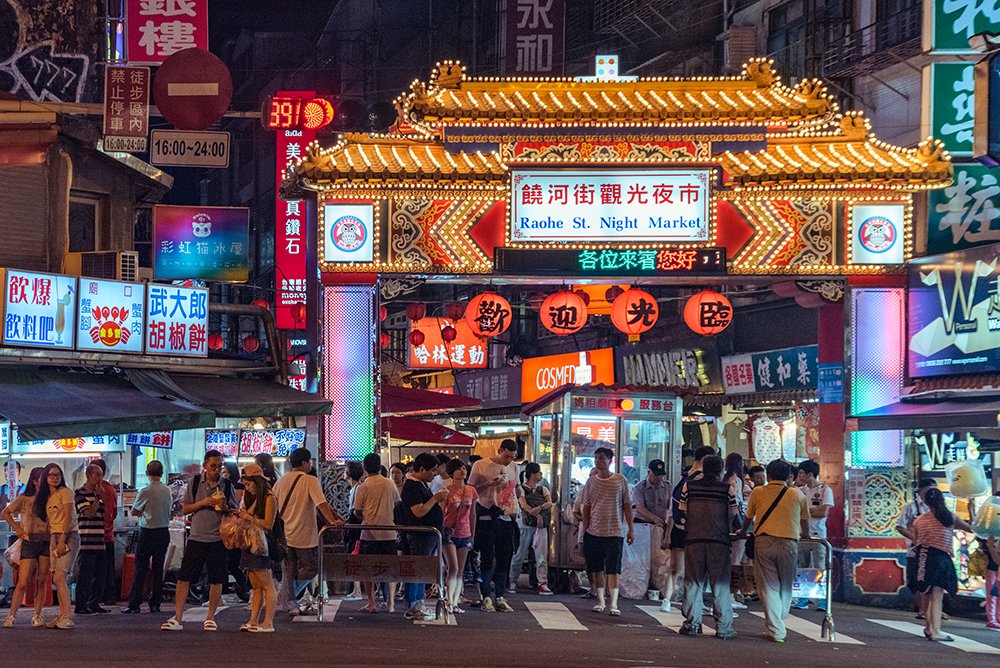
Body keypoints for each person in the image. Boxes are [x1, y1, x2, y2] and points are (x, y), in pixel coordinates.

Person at [161, 449, 236, 632]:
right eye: (213, 466)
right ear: (205, 466)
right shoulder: (194, 483)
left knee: (217, 579)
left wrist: (225, 507)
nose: (216, 470)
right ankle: (178, 617)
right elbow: (184, 509)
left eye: (219, 466)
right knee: (184, 578)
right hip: (196, 537)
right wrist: (204, 503)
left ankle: (210, 617)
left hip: (218, 538)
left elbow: (234, 511)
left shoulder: (227, 485)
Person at [740, 459, 809, 643]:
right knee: (786, 585)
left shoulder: (758, 491)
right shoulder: (797, 494)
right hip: (789, 542)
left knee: (768, 587)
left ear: (768, 475)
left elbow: (748, 517)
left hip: (764, 541)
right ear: (788, 476)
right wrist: (806, 535)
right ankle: (778, 621)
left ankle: (776, 628)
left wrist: (742, 531)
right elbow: (804, 521)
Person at [272, 448, 343, 616]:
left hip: (284, 535)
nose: (310, 464)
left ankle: (289, 601)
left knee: (289, 571)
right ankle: (287, 597)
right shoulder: (310, 480)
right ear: (304, 463)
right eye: (309, 461)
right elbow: (321, 503)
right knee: (313, 567)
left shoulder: (280, 482)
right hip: (304, 535)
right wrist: (332, 521)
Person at [678, 454, 738, 638]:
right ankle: (724, 627)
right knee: (720, 584)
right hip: (719, 541)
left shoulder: (689, 486)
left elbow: (683, 512)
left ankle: (692, 624)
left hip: (694, 539)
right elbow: (733, 513)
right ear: (721, 471)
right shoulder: (727, 489)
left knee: (693, 582)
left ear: (703, 468)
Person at [912, 487, 974, 642]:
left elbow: (916, 541)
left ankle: (929, 628)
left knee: (926, 593)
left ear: (926, 502)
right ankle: (936, 631)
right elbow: (972, 529)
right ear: (942, 500)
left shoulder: (919, 521)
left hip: (923, 556)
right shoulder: (950, 517)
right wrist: (971, 510)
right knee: (937, 595)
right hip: (940, 558)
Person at [580, 446, 634, 617]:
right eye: (596, 458)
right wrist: (586, 529)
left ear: (610, 460)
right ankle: (601, 600)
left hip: (615, 531)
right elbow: (586, 507)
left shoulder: (620, 480)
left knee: (613, 569)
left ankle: (614, 603)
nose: (598, 461)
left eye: (602, 458)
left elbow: (627, 505)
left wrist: (630, 529)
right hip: (594, 531)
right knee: (596, 568)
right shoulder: (591, 482)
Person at [469, 440, 519, 613]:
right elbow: (471, 490)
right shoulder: (481, 465)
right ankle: (485, 596)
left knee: (504, 558)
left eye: (512, 457)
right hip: (486, 516)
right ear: (500, 450)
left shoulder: (514, 467)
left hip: (506, 517)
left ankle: (500, 595)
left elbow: (515, 490)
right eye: (507, 456)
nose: (508, 460)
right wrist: (489, 484)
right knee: (487, 557)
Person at [665, 445, 716, 604]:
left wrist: (667, 534)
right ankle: (692, 601)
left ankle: (667, 600)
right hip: (695, 529)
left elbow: (671, 509)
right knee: (695, 569)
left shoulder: (684, 476)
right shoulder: (702, 479)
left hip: (678, 527)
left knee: (675, 568)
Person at [400, 453, 448, 620]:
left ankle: (418, 602)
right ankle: (413, 604)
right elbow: (418, 512)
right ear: (421, 469)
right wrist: (435, 499)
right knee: (417, 569)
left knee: (421, 569)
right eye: (432, 470)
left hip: (428, 535)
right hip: (420, 535)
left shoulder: (421, 484)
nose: (434, 474)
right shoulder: (412, 486)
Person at [123, 460, 173, 614]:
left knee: (141, 569)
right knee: (158, 569)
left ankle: (134, 604)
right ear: (162, 473)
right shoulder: (167, 490)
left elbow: (134, 512)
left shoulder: (145, 491)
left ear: (147, 473)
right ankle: (155, 604)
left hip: (148, 532)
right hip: (163, 532)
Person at [353, 452, 401, 613]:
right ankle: (391, 603)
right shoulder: (389, 483)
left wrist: (365, 516)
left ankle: (371, 602)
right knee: (391, 569)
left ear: (364, 467)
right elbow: (397, 504)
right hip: (389, 533)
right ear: (380, 466)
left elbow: (357, 511)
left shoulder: (362, 487)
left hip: (369, 533)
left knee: (368, 569)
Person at [2, 467, 49, 628]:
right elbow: (5, 512)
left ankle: (37, 615)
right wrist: (18, 529)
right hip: (29, 541)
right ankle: (11, 616)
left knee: (41, 580)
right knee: (22, 581)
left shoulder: (51, 497)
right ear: (35, 481)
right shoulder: (24, 498)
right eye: (44, 478)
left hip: (46, 540)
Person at [37, 462, 79, 629]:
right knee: (55, 577)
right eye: (51, 475)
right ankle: (62, 614)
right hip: (54, 536)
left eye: (57, 475)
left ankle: (67, 616)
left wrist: (62, 539)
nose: (55, 478)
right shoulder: (47, 497)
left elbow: (68, 517)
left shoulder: (65, 493)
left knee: (60, 577)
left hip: (68, 535)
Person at [238, 463, 278, 633]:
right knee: (255, 585)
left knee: (267, 583)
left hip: (261, 545)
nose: (247, 488)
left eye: (248, 484)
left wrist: (247, 517)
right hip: (250, 543)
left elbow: (268, 524)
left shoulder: (269, 497)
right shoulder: (252, 498)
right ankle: (253, 620)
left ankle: (268, 622)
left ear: (257, 482)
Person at [792, 459, 833, 611]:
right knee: (802, 567)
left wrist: (805, 511)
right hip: (802, 534)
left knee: (820, 567)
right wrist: (811, 511)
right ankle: (803, 598)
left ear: (810, 474)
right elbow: (795, 511)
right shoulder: (800, 491)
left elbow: (823, 512)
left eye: (802, 473)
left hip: (818, 535)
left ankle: (823, 600)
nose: (799, 476)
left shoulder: (825, 490)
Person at [632, 459, 672, 610]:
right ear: (649, 472)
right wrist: (654, 518)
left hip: (661, 528)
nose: (659, 478)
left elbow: (671, 508)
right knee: (643, 560)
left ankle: (659, 587)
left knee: (660, 560)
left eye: (661, 475)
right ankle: (643, 586)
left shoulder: (667, 487)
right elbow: (639, 507)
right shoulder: (640, 487)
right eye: (656, 475)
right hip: (644, 527)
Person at [510, 462, 553, 595]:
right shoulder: (521, 489)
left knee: (541, 556)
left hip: (539, 526)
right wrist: (536, 512)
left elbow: (549, 503)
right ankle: (512, 581)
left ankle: (542, 583)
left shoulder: (543, 489)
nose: (541, 475)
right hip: (525, 524)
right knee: (519, 555)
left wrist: (538, 509)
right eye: (539, 472)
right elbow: (522, 504)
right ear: (533, 474)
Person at [895, 477, 935, 621]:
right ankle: (922, 610)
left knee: (934, 581)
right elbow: (900, 526)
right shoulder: (911, 507)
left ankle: (935, 610)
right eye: (929, 490)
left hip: (934, 549)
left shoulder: (936, 507)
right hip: (916, 550)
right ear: (921, 490)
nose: (932, 493)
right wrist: (915, 539)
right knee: (920, 580)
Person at [442, 458, 478, 612]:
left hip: (465, 532)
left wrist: (473, 533)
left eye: (463, 468)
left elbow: (473, 514)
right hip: (449, 533)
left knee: (460, 571)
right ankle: (449, 601)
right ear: (452, 473)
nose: (462, 470)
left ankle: (455, 602)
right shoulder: (446, 491)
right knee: (453, 568)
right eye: (458, 469)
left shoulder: (472, 491)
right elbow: (442, 512)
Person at [74, 463, 109, 616]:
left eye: (102, 475)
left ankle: (94, 603)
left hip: (100, 539)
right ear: (88, 476)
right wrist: (98, 497)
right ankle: (81, 605)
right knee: (85, 575)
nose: (100, 478)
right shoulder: (80, 493)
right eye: (97, 475)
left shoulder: (99, 493)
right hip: (86, 540)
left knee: (100, 575)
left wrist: (100, 496)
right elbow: (89, 513)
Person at [723, 453, 751, 608]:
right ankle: (731, 595)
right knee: (736, 561)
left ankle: (726, 594)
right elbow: (735, 503)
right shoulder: (736, 480)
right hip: (735, 523)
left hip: (724, 524)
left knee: (728, 560)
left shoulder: (724, 478)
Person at [221, 462, 250, 603]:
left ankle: (244, 587)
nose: (223, 474)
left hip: (234, 529)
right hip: (228, 529)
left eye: (225, 471)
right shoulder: (224, 486)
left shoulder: (236, 487)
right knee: (229, 562)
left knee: (233, 562)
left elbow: (235, 506)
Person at [91, 459, 118, 607]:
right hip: (108, 535)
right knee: (108, 569)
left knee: (94, 570)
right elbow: (114, 513)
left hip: (93, 536)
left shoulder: (91, 490)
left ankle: (95, 598)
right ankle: (109, 597)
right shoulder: (111, 490)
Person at [985, 535, 1000, 630]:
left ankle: (997, 618)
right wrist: (991, 545)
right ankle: (992, 619)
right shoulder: (992, 537)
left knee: (995, 595)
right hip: (992, 569)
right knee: (992, 595)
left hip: (994, 568)